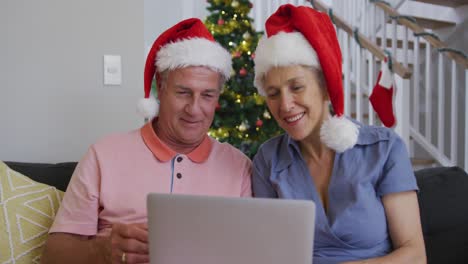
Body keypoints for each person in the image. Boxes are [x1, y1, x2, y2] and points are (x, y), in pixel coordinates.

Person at [41, 18, 252, 264]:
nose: (194, 109)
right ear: (160, 87)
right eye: (183, 92)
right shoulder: (104, 154)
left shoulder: (239, 167)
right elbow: (52, 255)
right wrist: (101, 250)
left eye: (207, 95)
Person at [251, 4, 426, 264]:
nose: (285, 105)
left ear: (325, 86)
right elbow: (266, 253)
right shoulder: (268, 160)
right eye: (273, 93)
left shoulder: (384, 149)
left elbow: (414, 255)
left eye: (296, 87)